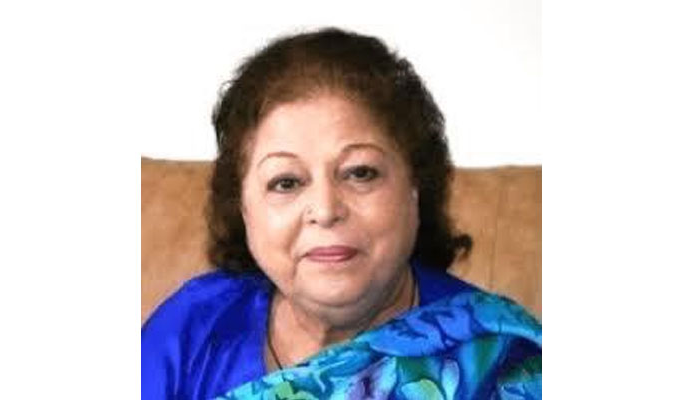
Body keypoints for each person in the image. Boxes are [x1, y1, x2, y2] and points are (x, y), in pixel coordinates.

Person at [142, 27, 541, 399]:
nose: (325, 210)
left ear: (415, 187)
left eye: (360, 173)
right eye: (286, 182)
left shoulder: (500, 358)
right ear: (243, 207)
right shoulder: (192, 329)